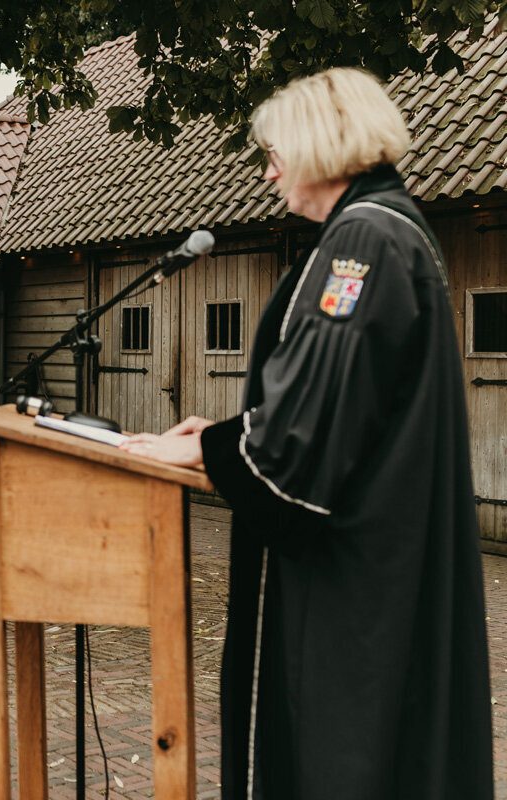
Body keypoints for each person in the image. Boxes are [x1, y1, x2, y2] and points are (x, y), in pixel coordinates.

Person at [120, 68, 492, 800]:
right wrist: (230, 432)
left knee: (346, 752)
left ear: (319, 146)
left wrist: (217, 447)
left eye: (276, 152)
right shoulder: (384, 228)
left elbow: (312, 424)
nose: (269, 171)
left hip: (357, 571)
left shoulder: (364, 242)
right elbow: (339, 396)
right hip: (384, 546)